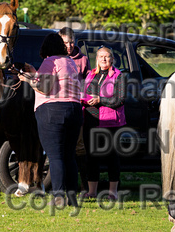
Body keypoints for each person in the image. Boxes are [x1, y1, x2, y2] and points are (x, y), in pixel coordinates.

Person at [18, 32, 82, 208]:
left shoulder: (50, 61)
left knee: (55, 157)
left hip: (52, 111)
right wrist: (34, 74)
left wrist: (27, 80)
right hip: (75, 110)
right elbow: (55, 82)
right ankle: (72, 198)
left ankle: (59, 196)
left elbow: (44, 88)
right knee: (69, 156)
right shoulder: (70, 62)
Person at [81, 46, 126, 200]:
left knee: (111, 157)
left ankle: (113, 192)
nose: (104, 59)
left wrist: (101, 100)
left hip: (110, 123)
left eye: (107, 56)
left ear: (112, 59)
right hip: (90, 121)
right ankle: (92, 191)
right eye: (101, 56)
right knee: (91, 157)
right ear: (97, 59)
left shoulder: (118, 76)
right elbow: (84, 92)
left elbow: (120, 100)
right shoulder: (90, 75)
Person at [58, 27, 91, 192]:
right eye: (65, 43)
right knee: (60, 146)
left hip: (77, 107)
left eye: (71, 42)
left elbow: (88, 81)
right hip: (57, 107)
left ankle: (84, 185)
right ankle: (61, 184)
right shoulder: (55, 58)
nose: (69, 46)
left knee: (78, 147)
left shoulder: (83, 59)